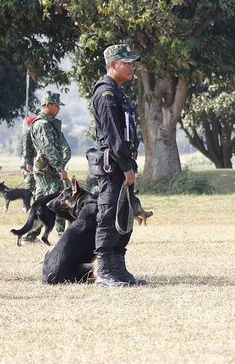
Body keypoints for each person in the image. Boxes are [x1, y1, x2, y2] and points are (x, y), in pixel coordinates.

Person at [90, 44, 145, 287]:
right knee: (109, 214)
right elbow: (113, 135)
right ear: (113, 65)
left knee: (124, 215)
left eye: (133, 62)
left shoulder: (118, 91)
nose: (132, 66)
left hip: (122, 164)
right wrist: (125, 166)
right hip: (114, 166)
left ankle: (118, 269)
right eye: (127, 62)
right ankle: (104, 272)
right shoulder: (106, 94)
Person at [21, 91, 71, 244]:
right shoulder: (42, 125)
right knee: (59, 200)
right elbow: (49, 149)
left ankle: (30, 236)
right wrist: (59, 168)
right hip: (48, 171)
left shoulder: (46, 123)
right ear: (48, 105)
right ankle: (63, 236)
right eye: (56, 106)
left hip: (45, 171)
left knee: (40, 204)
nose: (58, 109)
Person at [19, 115, 37, 194]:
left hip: (32, 161)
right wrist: (28, 163)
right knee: (30, 183)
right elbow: (26, 150)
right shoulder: (27, 134)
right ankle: (26, 204)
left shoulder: (34, 134)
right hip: (27, 163)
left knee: (34, 183)